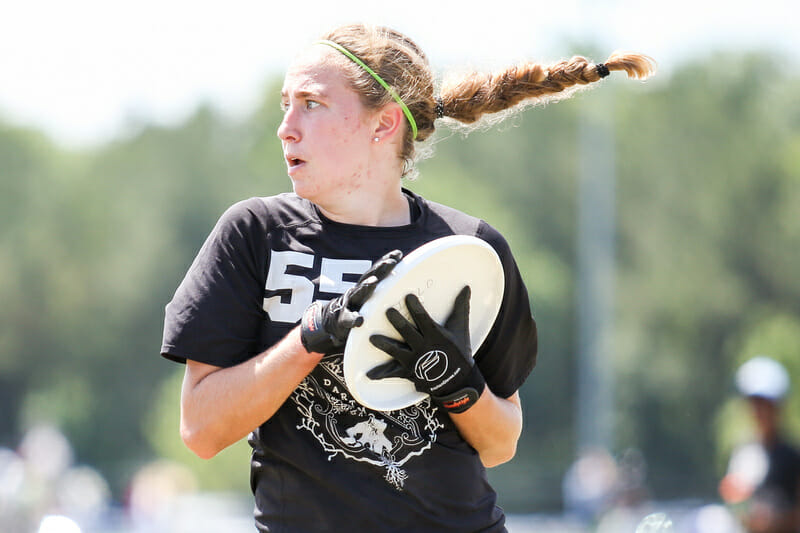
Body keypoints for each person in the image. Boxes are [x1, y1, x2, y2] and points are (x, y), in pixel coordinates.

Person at [160, 23, 655, 532]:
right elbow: (200, 429)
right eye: (285, 104)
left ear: (384, 124)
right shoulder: (255, 234)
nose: (286, 127)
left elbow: (500, 442)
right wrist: (308, 339)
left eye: (311, 103)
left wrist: (454, 380)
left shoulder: (470, 249)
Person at [719, 356, 800, 533]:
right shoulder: (743, 454)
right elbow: (735, 504)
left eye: (765, 405)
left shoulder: (793, 457)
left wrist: (776, 520)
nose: (759, 411)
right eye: (754, 404)